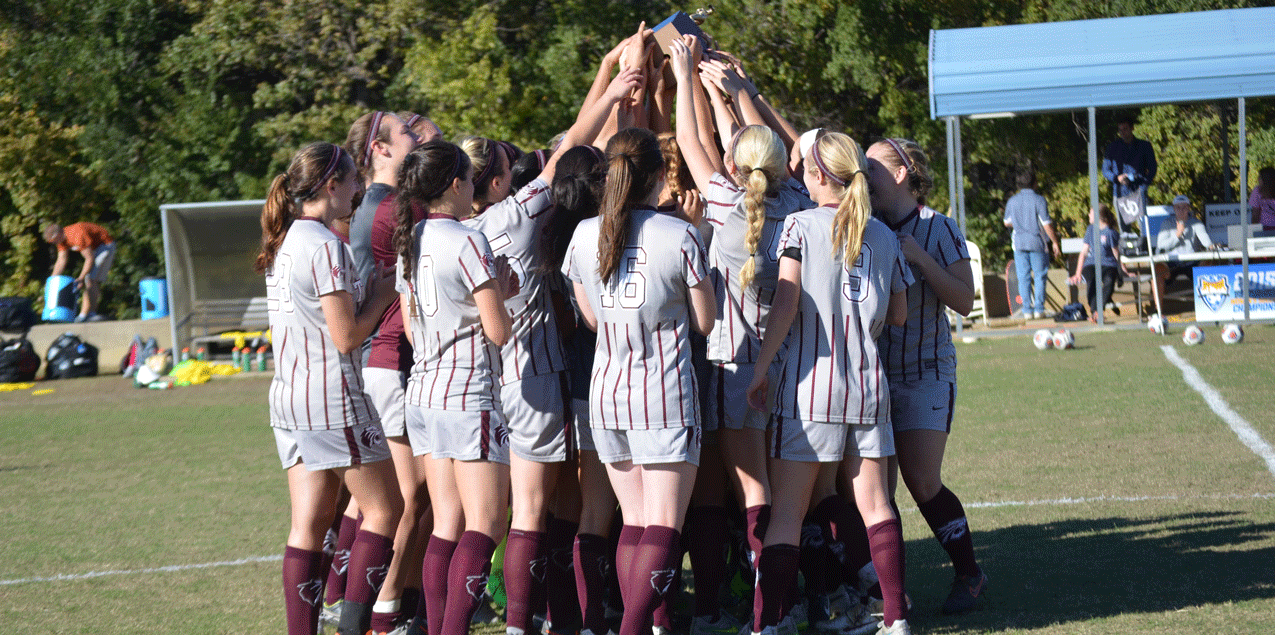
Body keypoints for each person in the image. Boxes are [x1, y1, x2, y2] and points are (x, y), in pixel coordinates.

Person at [744, 131, 912, 635]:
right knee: (878, 506)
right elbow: (900, 314)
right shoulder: (880, 232)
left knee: (789, 513)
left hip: (811, 386)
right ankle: (897, 619)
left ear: (817, 176)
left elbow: (787, 302)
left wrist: (759, 369)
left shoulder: (799, 224)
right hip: (867, 385)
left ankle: (767, 625)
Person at [562, 127, 716, 635]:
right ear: (657, 176)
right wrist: (699, 238)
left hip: (607, 393)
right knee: (664, 525)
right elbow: (706, 321)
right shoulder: (681, 234)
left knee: (632, 523)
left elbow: (590, 318)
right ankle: (633, 628)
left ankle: (643, 625)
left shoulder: (585, 233)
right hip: (663, 391)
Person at [255, 142, 403, 635]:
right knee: (386, 510)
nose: (361, 189)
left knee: (309, 523)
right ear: (331, 186)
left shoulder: (286, 241)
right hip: (330, 397)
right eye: (353, 181)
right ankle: (352, 627)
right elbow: (345, 336)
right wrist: (384, 293)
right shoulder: (324, 245)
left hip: (289, 399)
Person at [393, 140, 517, 635]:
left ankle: (437, 625)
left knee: (446, 526)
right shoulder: (468, 240)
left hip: (424, 393)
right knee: (484, 525)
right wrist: (502, 292)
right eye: (469, 181)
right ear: (455, 184)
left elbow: (408, 326)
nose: (474, 192)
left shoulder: (413, 235)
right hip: (468, 395)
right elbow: (499, 331)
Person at [867, 137, 988, 619]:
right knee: (876, 491)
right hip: (872, 374)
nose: (862, 171)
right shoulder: (866, 225)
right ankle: (888, 594)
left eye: (872, 165)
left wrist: (920, 259)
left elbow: (963, 299)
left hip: (926, 373)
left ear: (900, 173)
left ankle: (969, 573)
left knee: (922, 481)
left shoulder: (939, 227)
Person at [342, 109, 428, 635]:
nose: (416, 138)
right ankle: (384, 606)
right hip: (390, 361)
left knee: (410, 498)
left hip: (389, 363)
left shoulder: (385, 204)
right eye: (407, 133)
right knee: (410, 498)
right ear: (380, 148)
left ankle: (396, 603)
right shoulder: (388, 208)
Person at [1003, 170, 1060, 319]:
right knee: (1040, 275)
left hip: (1019, 243)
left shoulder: (1012, 201)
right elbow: (1046, 224)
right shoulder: (1039, 200)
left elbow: (1006, 222)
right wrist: (1054, 242)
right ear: (1035, 183)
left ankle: (1027, 310)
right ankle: (1039, 309)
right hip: (1037, 242)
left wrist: (1019, 222)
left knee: (1023, 277)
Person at [43, 221, 116, 322]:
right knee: (88, 279)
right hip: (93, 249)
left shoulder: (76, 234)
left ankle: (90, 314)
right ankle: (83, 315)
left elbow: (89, 258)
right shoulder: (61, 241)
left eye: (53, 241)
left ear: (58, 234)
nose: (54, 243)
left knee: (90, 279)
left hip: (105, 246)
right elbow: (61, 261)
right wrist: (51, 281)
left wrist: (81, 278)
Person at [1068, 204, 1131, 320]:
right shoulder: (1090, 229)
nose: (1088, 215)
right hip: (1091, 264)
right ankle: (1095, 312)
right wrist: (1077, 274)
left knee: (1109, 281)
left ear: (1098, 216)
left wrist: (1124, 271)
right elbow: (1084, 253)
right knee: (1091, 281)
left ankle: (1098, 311)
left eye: (1091, 213)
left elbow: (1117, 254)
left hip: (1108, 264)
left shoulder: (1111, 232)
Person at [1155, 194, 1213, 286]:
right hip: (1171, 261)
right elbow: (1161, 245)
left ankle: (1205, 298)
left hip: (1191, 261)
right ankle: (1157, 301)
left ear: (1189, 208)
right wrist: (1178, 234)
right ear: (1174, 209)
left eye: (1184, 207)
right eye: (1178, 207)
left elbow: (1206, 242)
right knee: (1158, 270)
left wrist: (1212, 246)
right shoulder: (1166, 223)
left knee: (1208, 263)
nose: (1181, 210)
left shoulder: (1196, 223)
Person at [1101, 115, 1157, 209]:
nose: (1122, 132)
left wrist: (1143, 187)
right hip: (1119, 193)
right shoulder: (1112, 147)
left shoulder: (1144, 146)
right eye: (1120, 130)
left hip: (1139, 191)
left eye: (1125, 129)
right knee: (1122, 224)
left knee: (1142, 223)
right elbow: (1105, 170)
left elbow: (1152, 169)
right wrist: (1117, 178)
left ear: (1132, 128)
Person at [1251, 167, 1275, 232]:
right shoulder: (1257, 190)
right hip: (1263, 227)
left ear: (1265, 179)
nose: (1258, 179)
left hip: (1263, 228)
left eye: (1259, 177)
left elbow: (1255, 214)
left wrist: (1254, 229)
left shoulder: (1257, 191)